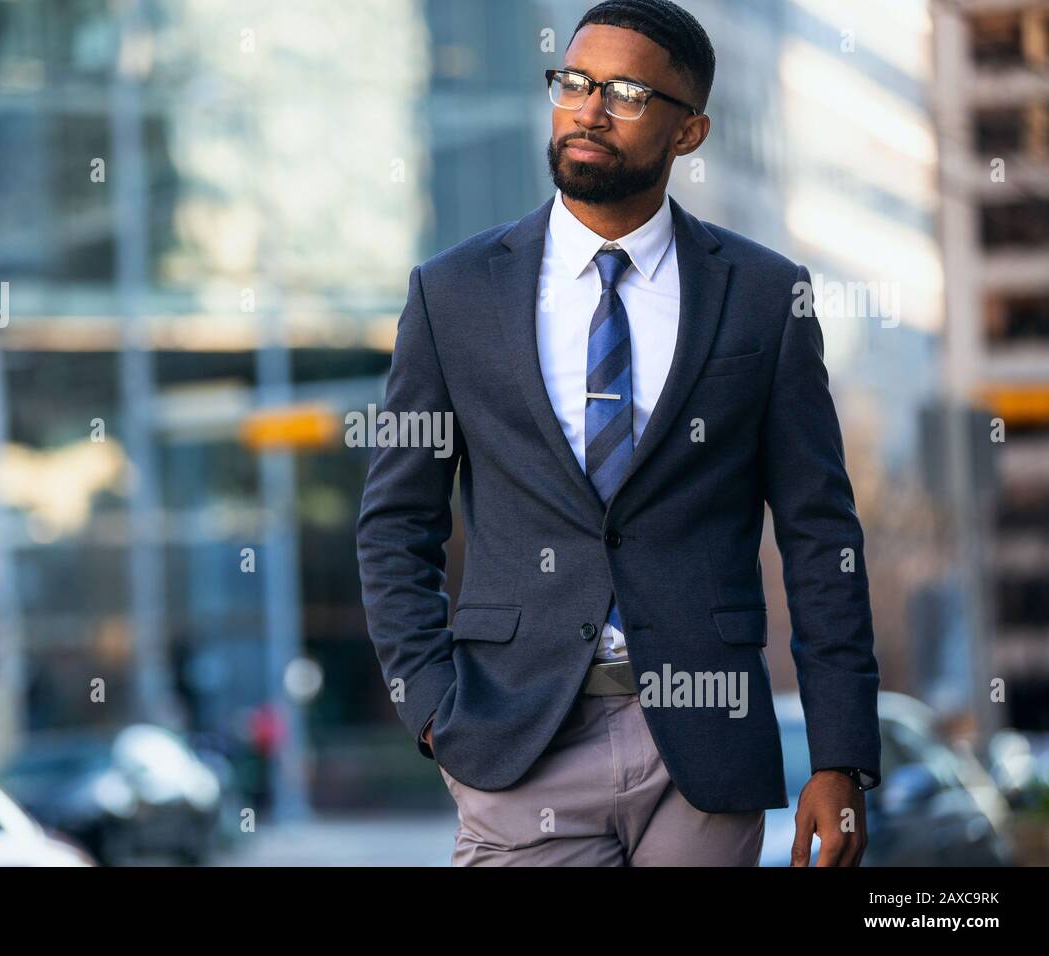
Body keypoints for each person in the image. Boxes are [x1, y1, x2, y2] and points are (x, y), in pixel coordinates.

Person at [356, 0, 881, 866]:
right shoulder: (453, 294)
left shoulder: (761, 294)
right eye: (576, 82)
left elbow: (822, 536)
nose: (590, 110)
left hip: (704, 748)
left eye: (629, 93)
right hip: (517, 741)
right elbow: (395, 524)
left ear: (690, 132)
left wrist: (841, 757)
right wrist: (432, 711)